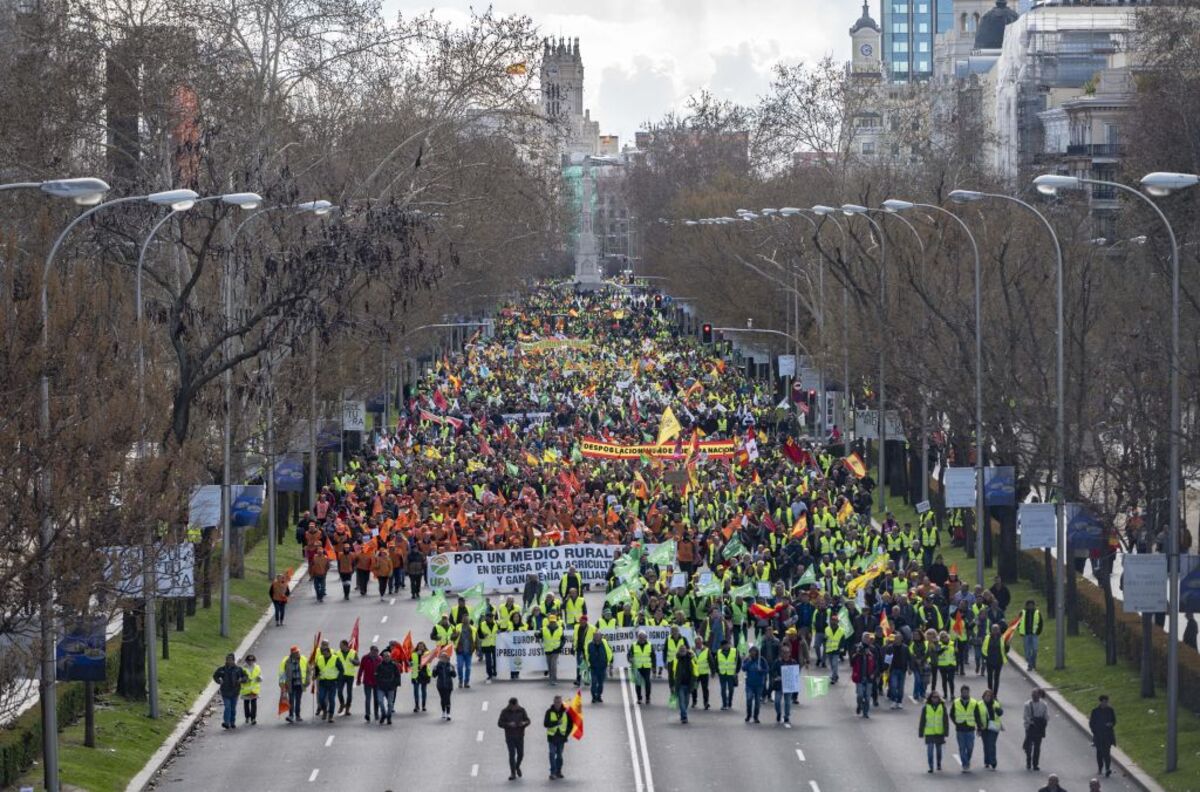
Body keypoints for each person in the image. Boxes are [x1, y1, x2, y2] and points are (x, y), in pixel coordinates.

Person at [498, 697, 531, 780]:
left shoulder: (522, 710)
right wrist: (508, 724)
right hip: (510, 737)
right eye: (513, 706)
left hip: (520, 736)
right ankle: (512, 773)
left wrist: (524, 723)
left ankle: (517, 766)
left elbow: (528, 720)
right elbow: (499, 723)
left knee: (521, 754)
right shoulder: (504, 712)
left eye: (516, 705)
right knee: (512, 754)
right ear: (510, 705)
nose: (515, 707)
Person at [952, 685, 983, 772]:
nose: (965, 693)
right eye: (964, 692)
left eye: (967, 692)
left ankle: (967, 760)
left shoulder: (974, 702)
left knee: (970, 747)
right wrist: (956, 722)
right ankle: (965, 764)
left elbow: (977, 716)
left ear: (969, 692)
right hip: (960, 729)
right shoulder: (956, 702)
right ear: (961, 692)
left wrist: (979, 728)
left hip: (970, 729)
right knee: (962, 748)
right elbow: (952, 714)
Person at [212, 653, 248, 730]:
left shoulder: (238, 669)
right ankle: (226, 723)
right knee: (227, 707)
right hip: (225, 691)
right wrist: (219, 681)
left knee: (233, 708)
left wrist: (241, 680)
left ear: (233, 660)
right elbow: (215, 676)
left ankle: (232, 722)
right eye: (228, 659)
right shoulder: (222, 669)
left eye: (231, 659)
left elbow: (245, 677)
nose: (229, 661)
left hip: (235, 691)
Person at [918, 690, 950, 773]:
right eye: (933, 697)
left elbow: (945, 720)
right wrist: (921, 732)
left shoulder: (942, 707)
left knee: (939, 751)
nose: (935, 699)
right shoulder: (926, 708)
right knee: (930, 751)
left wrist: (946, 732)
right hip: (929, 733)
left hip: (939, 732)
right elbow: (922, 720)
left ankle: (938, 763)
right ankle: (931, 766)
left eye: (937, 697)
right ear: (930, 698)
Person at [314, 642, 344, 723]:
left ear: (329, 653)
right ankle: (324, 710)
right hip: (323, 682)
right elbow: (317, 668)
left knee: (331, 699)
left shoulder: (335, 659)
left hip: (332, 682)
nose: (324, 655)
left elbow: (341, 670)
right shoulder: (320, 658)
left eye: (326, 653)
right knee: (321, 698)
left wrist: (339, 679)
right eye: (323, 653)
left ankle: (330, 716)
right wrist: (315, 675)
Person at [278, 645, 309, 723]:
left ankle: (298, 715)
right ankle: (291, 715)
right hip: (290, 684)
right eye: (296, 652)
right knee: (291, 700)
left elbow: (308, 670)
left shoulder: (304, 659)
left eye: (298, 652)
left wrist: (308, 680)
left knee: (298, 700)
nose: (298, 653)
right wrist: (282, 683)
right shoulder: (286, 661)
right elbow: (282, 673)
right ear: (292, 653)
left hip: (300, 683)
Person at [1088, 694, 1117, 777]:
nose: (1105, 703)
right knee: (1099, 753)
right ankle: (1100, 768)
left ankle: (1108, 769)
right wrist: (1094, 732)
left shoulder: (1110, 710)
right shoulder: (1095, 711)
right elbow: (1091, 723)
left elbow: (1114, 721)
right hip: (1098, 735)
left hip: (1108, 735)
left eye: (1106, 702)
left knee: (1107, 752)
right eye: (1104, 702)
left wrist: (1111, 724)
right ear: (1100, 702)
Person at [851, 633, 878, 719]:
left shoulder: (873, 649)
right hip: (859, 676)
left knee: (867, 696)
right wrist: (858, 653)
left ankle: (865, 712)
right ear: (862, 638)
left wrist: (874, 674)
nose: (867, 639)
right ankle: (859, 704)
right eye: (865, 638)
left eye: (868, 638)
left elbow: (876, 664)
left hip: (869, 676)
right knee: (860, 695)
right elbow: (852, 662)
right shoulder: (856, 647)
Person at [771, 644, 798, 727]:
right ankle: (778, 713)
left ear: (789, 653)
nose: (785, 654)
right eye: (783, 652)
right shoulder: (777, 662)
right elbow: (772, 671)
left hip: (788, 686)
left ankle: (786, 716)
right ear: (781, 653)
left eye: (787, 652)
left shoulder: (793, 662)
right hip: (779, 685)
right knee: (777, 701)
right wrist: (776, 677)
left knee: (787, 702)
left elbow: (795, 674)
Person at [1023, 687, 1049, 771]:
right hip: (1030, 727)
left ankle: (1035, 764)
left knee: (1037, 747)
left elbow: (1046, 716)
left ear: (1039, 695)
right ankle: (1028, 761)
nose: (1033, 696)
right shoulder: (1027, 704)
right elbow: (1025, 716)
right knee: (1028, 746)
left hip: (1039, 728)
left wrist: (1042, 722)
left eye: (1035, 694)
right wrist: (1031, 722)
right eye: (1032, 694)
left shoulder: (1044, 705)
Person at [544, 695, 569, 780]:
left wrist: (566, 734)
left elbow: (569, 725)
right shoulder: (549, 712)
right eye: (556, 702)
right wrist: (556, 722)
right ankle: (552, 772)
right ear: (553, 702)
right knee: (552, 754)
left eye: (559, 702)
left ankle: (559, 771)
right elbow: (546, 724)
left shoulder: (566, 712)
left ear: (561, 702)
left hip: (561, 737)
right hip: (552, 737)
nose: (557, 704)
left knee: (559, 756)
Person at [743, 644, 769, 724]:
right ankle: (748, 714)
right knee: (749, 699)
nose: (753, 653)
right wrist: (750, 662)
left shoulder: (761, 660)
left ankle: (756, 716)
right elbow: (743, 668)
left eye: (754, 651)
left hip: (759, 684)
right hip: (749, 684)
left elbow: (767, 669)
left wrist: (761, 670)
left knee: (757, 701)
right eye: (751, 651)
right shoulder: (747, 659)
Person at [628, 630, 655, 705]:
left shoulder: (649, 645)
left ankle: (648, 698)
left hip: (646, 667)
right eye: (640, 637)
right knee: (638, 683)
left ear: (646, 637)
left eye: (643, 637)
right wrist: (630, 659)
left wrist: (654, 667)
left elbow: (653, 656)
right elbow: (629, 654)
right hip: (637, 667)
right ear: (638, 638)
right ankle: (639, 698)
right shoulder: (634, 645)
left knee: (647, 682)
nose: (642, 639)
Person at [979, 688, 1003, 770]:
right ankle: (987, 761)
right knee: (986, 744)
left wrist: (997, 709)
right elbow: (977, 716)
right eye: (986, 696)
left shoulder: (995, 704)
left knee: (991, 744)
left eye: (989, 696)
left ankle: (993, 762)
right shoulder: (979, 704)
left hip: (994, 726)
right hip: (984, 727)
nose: (988, 698)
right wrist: (979, 727)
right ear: (983, 696)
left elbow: (1000, 713)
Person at [585, 630, 613, 703]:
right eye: (595, 635)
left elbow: (609, 653)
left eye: (598, 635)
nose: (597, 637)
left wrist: (609, 662)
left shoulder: (604, 643)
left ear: (601, 636)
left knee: (600, 683)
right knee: (594, 682)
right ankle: (594, 696)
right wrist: (588, 664)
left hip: (602, 667)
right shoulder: (589, 644)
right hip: (593, 667)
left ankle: (599, 696)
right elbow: (587, 655)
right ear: (593, 636)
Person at [374, 648, 400, 724]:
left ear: (390, 657)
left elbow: (397, 676)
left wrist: (395, 684)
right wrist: (378, 682)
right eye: (385, 656)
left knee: (390, 703)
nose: (386, 658)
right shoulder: (379, 666)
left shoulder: (394, 666)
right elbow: (376, 675)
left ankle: (389, 716)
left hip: (391, 687)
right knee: (380, 701)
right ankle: (383, 714)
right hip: (381, 687)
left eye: (388, 656)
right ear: (383, 658)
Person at [356, 645, 381, 723]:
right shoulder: (365, 658)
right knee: (368, 698)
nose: (375, 653)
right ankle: (367, 714)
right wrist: (358, 679)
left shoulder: (379, 659)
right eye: (374, 651)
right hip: (367, 682)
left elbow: (382, 670)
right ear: (370, 651)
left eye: (377, 651)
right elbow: (361, 669)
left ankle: (376, 713)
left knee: (376, 699)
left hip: (377, 682)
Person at [1019, 599, 1043, 670]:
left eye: (1032, 605)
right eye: (1029, 605)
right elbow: (1018, 622)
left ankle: (1033, 662)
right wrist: (1020, 631)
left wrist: (1038, 632)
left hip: (1034, 634)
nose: (1030, 607)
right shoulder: (1022, 613)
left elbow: (1040, 623)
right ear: (1026, 606)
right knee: (1027, 651)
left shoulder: (1037, 613)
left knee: (1035, 649)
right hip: (1026, 634)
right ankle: (1030, 664)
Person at [982, 622, 1006, 694]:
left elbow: (1006, 650)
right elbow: (983, 648)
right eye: (994, 629)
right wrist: (984, 658)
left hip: (999, 661)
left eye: (997, 629)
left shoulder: (1002, 638)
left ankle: (995, 694)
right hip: (989, 660)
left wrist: (1007, 645)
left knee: (996, 678)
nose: (995, 631)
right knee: (989, 678)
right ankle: (990, 693)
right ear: (991, 630)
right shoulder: (987, 638)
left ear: (999, 630)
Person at [673, 644, 695, 723]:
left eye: (684, 649)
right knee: (682, 701)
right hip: (680, 685)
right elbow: (673, 672)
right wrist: (672, 684)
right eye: (681, 649)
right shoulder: (676, 659)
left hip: (688, 684)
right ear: (679, 651)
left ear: (686, 650)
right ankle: (684, 717)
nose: (682, 651)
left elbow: (694, 671)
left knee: (686, 702)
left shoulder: (691, 659)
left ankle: (683, 713)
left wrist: (693, 683)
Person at [716, 637, 740, 710]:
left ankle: (729, 702)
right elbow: (716, 662)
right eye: (724, 645)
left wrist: (736, 671)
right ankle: (724, 704)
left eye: (727, 645)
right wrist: (717, 671)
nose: (726, 646)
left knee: (731, 689)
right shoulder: (718, 652)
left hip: (731, 674)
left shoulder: (735, 651)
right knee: (723, 689)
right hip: (722, 674)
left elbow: (739, 662)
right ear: (721, 646)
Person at [337, 639, 358, 716]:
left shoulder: (353, 653)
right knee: (339, 691)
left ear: (345, 646)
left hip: (350, 675)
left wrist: (353, 661)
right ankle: (342, 704)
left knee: (349, 693)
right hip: (341, 675)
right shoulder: (338, 653)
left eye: (341, 645)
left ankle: (348, 708)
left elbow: (358, 662)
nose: (340, 647)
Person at [433, 651, 457, 720]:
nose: (444, 659)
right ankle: (443, 711)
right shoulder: (438, 666)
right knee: (443, 699)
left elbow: (454, 675)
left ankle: (448, 714)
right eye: (442, 657)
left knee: (448, 698)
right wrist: (434, 670)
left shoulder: (450, 666)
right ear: (440, 658)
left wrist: (452, 670)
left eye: (445, 657)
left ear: (448, 658)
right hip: (440, 685)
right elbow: (434, 675)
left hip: (449, 685)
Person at [542, 613, 564, 686]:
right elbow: (540, 635)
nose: (552, 623)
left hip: (556, 649)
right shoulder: (544, 629)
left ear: (556, 621)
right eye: (551, 622)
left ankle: (554, 679)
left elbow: (563, 639)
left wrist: (560, 646)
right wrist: (537, 634)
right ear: (549, 621)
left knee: (553, 665)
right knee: (549, 665)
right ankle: (551, 678)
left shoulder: (560, 629)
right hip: (548, 649)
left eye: (553, 621)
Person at [240, 654, 261, 725]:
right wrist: (244, 680)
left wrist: (260, 678)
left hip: (254, 690)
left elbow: (260, 675)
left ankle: (253, 718)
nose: (250, 661)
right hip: (246, 689)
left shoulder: (257, 667)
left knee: (254, 704)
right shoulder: (243, 668)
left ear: (254, 660)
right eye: (249, 660)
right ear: (246, 660)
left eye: (252, 660)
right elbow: (240, 678)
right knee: (246, 704)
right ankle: (247, 717)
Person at [478, 611, 499, 683]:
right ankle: (489, 674)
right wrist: (483, 636)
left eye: (492, 617)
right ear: (486, 617)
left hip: (494, 644)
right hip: (486, 645)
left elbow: (500, 631)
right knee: (488, 661)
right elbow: (479, 635)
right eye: (489, 617)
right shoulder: (482, 624)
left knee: (495, 660)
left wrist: (499, 632)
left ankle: (495, 671)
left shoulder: (496, 623)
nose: (490, 618)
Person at [411, 641, 431, 713]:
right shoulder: (413, 653)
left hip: (425, 674)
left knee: (424, 691)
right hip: (416, 674)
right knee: (416, 691)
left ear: (424, 647)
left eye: (422, 646)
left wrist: (420, 656)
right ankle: (416, 706)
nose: (420, 647)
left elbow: (429, 661)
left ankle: (423, 705)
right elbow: (410, 662)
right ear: (417, 647)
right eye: (419, 646)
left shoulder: (427, 653)